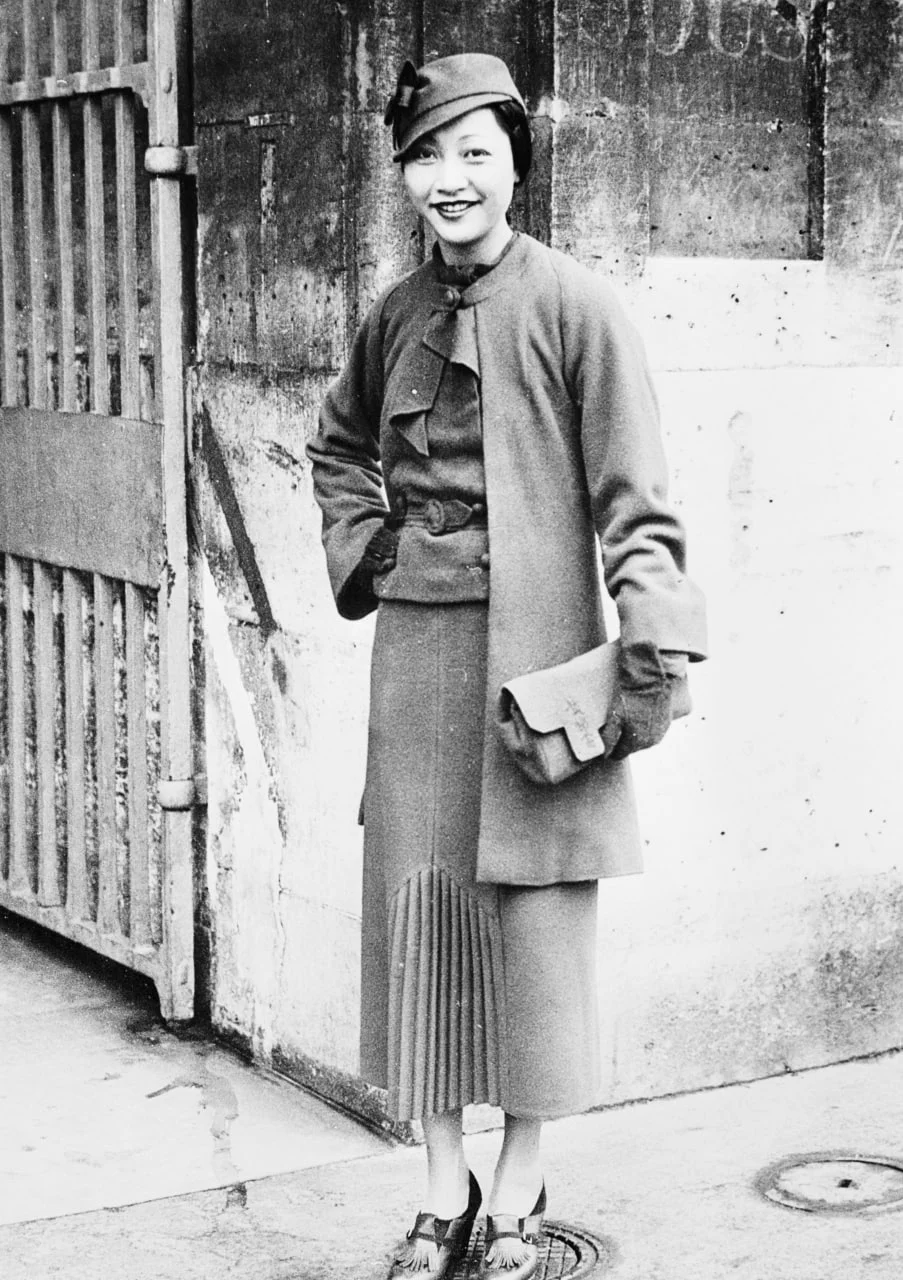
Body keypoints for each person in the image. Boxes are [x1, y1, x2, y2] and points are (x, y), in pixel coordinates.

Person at [307, 52, 707, 1280]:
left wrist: (652, 644)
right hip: (419, 665)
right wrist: (372, 554)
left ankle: (522, 1193)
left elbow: (638, 504)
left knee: (532, 936)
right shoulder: (391, 315)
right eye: (427, 153)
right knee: (419, 917)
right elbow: (334, 446)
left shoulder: (579, 308)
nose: (451, 178)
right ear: (405, 175)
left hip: (537, 670)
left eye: (477, 151)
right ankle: (443, 1192)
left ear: (517, 166)